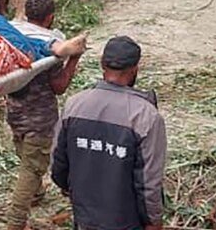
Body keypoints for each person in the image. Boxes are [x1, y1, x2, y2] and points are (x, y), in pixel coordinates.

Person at [51, 36, 166, 230]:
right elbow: (148, 183)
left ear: (102, 65)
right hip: (126, 221)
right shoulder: (146, 117)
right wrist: (153, 221)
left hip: (85, 216)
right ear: (134, 70)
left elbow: (58, 163)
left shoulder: (74, 105)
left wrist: (68, 187)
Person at [6, 0, 84, 230]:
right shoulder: (52, 44)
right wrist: (74, 59)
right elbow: (58, 87)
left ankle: (37, 192)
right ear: (50, 18)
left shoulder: (14, 35)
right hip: (39, 118)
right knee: (32, 166)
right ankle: (16, 221)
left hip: (15, 112)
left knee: (26, 153)